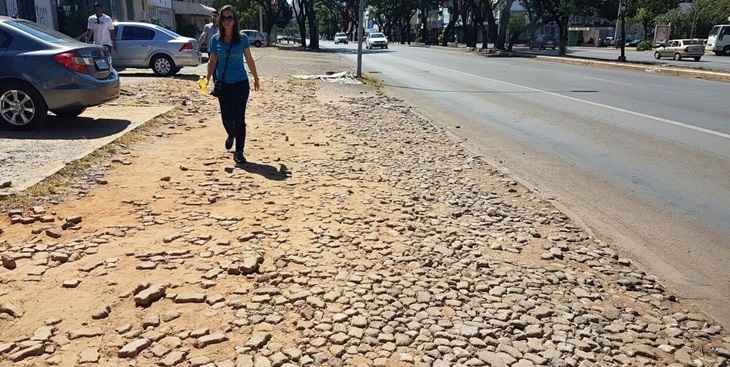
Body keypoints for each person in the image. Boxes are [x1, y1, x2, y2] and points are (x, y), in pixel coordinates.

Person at [206, 5, 260, 165]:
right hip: (223, 85)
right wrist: (207, 79)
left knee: (239, 118)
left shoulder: (242, 38)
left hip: (241, 84)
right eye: (224, 18)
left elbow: (249, 59)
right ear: (220, 21)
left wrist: (256, 77)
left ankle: (239, 152)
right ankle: (231, 134)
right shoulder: (215, 39)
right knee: (226, 118)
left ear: (234, 20)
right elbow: (212, 61)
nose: (227, 21)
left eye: (230, 17)